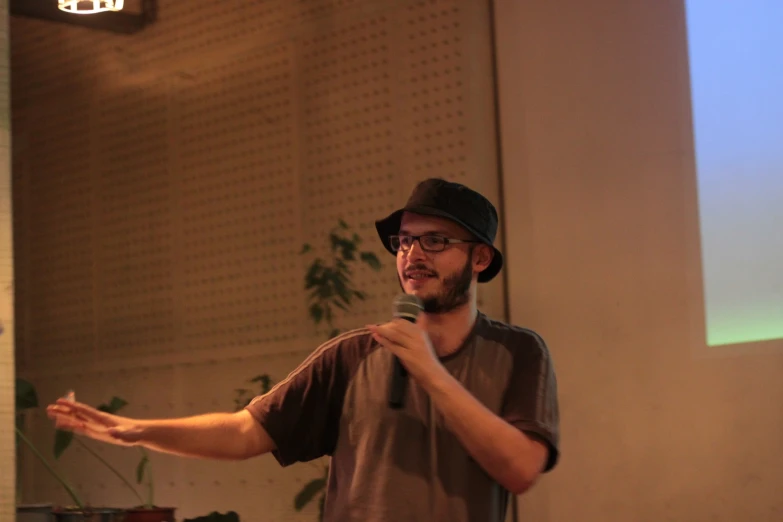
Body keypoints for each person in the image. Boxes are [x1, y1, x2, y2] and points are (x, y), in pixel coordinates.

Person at [47, 177, 560, 522]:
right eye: (404, 242)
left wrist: (433, 375)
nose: (412, 256)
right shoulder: (355, 355)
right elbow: (245, 430)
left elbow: (520, 469)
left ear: (480, 258)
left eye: (434, 242)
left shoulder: (518, 352)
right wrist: (135, 431)